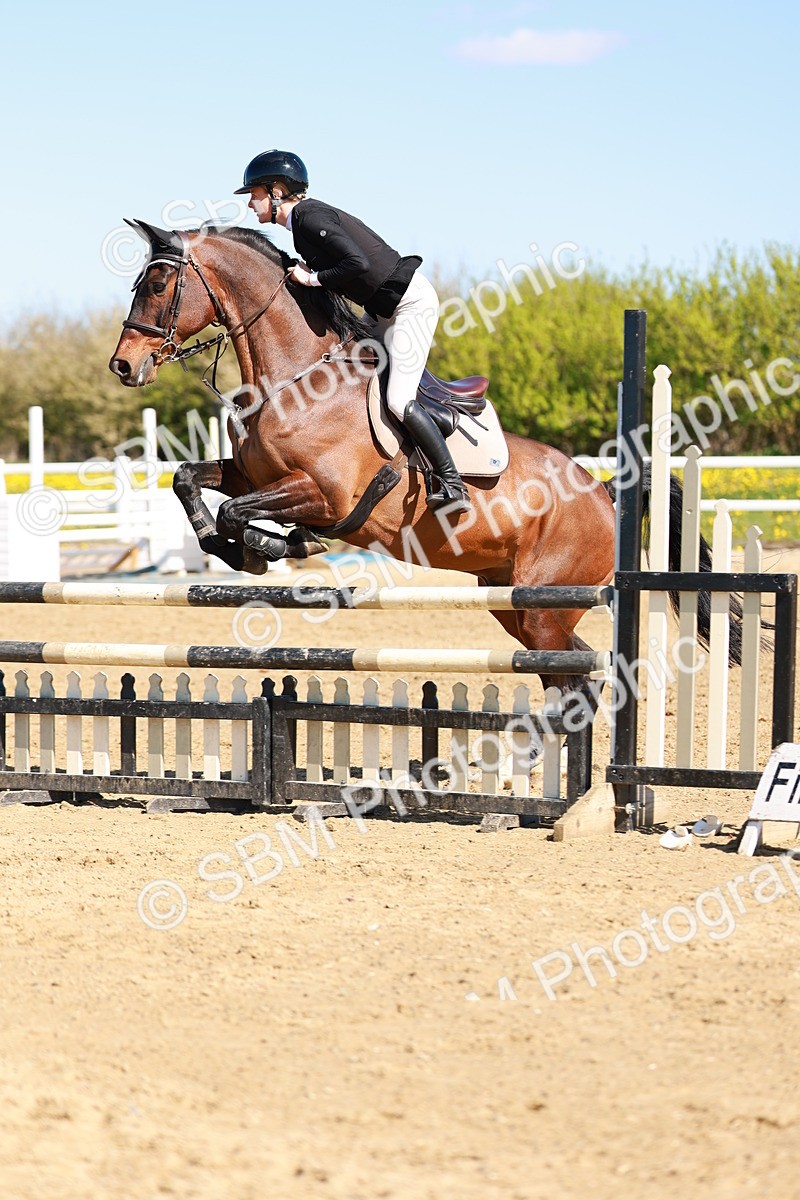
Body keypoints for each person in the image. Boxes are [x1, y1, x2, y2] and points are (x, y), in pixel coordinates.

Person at [234, 149, 471, 514]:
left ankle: (452, 483)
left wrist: (311, 277)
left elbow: (356, 263)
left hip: (410, 306)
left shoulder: (309, 218)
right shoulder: (302, 225)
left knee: (397, 400)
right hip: (381, 310)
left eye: (255, 194)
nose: (251, 204)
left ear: (277, 190)